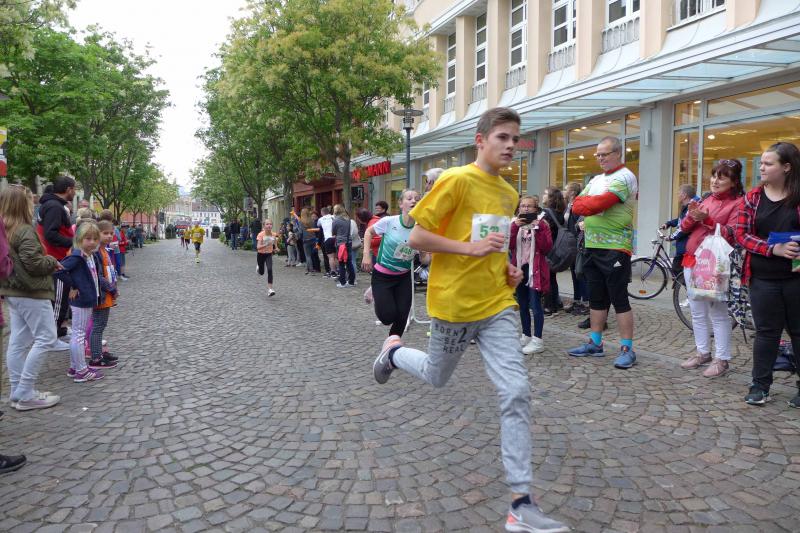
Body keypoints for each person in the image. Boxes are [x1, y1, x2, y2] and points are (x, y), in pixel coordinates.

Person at [371, 107, 569, 533]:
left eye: (515, 138)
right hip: (453, 304)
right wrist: (468, 250)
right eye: (502, 137)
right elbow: (418, 237)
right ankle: (394, 353)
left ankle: (521, 504)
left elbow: (490, 245)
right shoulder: (456, 180)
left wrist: (508, 269)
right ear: (480, 140)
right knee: (436, 375)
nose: (510, 145)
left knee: (516, 391)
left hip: (497, 304)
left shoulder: (507, 193)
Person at [736, 142, 800, 407]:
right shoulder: (752, 198)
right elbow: (741, 235)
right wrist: (773, 248)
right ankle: (760, 386)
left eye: (768, 163)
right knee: (766, 333)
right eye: (761, 162)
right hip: (763, 278)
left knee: (799, 332)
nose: (761, 167)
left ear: (787, 167)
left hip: (796, 279)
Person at [567, 136, 639, 370]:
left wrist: (588, 204)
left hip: (615, 247)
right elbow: (576, 205)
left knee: (619, 299)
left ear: (617, 153)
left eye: (604, 154)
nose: (600, 158)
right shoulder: (597, 179)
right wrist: (586, 204)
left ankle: (627, 349)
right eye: (597, 154)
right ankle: (595, 343)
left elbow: (598, 204)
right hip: (592, 245)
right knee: (596, 298)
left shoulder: (625, 176)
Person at [679, 160, 744, 378]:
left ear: (733, 182)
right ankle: (703, 352)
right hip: (692, 260)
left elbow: (731, 234)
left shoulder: (738, 203)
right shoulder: (705, 199)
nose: (715, 180)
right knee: (697, 311)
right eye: (714, 175)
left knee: (718, 312)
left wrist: (706, 218)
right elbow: (684, 228)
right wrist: (691, 215)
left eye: (721, 177)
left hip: (716, 264)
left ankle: (722, 359)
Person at [0, 185, 62, 411]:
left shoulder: (6, 229)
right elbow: (34, 264)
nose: (33, 204)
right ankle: (25, 392)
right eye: (30, 201)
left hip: (14, 291)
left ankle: (18, 391)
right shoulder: (24, 230)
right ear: (22, 204)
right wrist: (51, 261)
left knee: (18, 342)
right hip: (31, 291)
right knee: (46, 338)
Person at [54, 222, 107, 383]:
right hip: (81, 301)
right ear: (79, 239)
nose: (92, 242)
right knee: (79, 335)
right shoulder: (77, 257)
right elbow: (59, 270)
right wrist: (73, 286)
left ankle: (74, 366)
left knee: (78, 334)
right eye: (87, 239)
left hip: (87, 299)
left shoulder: (89, 255)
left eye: (94, 239)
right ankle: (81, 371)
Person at [362, 189, 419, 333]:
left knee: (402, 316)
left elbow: (424, 258)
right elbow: (369, 232)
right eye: (409, 198)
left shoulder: (421, 228)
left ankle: (393, 345)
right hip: (383, 276)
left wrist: (427, 252)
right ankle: (375, 292)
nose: (414, 201)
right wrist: (366, 255)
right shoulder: (389, 221)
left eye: (417, 199)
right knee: (387, 317)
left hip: (404, 276)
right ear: (400, 204)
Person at [510, 196, 552, 355]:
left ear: (536, 209)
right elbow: (509, 245)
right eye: (523, 206)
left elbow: (546, 248)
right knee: (522, 304)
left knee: (536, 305)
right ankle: (526, 335)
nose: (526, 208)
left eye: (529, 206)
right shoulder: (514, 223)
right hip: (520, 269)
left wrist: (538, 228)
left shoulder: (542, 224)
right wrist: (514, 227)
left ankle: (538, 340)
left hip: (536, 270)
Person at [36, 175, 76, 338]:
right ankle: (53, 334)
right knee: (59, 299)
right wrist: (72, 242)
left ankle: (58, 330)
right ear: (68, 189)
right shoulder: (54, 207)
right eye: (74, 189)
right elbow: (50, 234)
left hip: (56, 258)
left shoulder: (53, 205)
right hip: (55, 259)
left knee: (59, 297)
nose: (75, 192)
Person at [87, 220, 119, 369]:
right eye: (105, 233)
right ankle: (96, 357)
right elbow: (98, 276)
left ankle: (99, 352)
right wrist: (111, 288)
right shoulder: (96, 252)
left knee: (101, 324)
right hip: (101, 294)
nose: (109, 236)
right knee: (98, 326)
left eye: (111, 233)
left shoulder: (104, 250)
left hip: (107, 293)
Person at [661, 183, 701, 278]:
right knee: (681, 272)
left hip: (686, 245)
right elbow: (681, 221)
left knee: (677, 270)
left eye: (679, 193)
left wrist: (670, 237)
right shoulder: (687, 206)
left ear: (684, 195)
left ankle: (686, 286)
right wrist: (669, 223)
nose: (677, 195)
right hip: (684, 244)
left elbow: (684, 227)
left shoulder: (691, 207)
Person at [563, 181, 589, 315]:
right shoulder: (569, 205)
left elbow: (579, 225)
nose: (564, 191)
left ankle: (586, 302)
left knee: (580, 273)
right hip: (571, 244)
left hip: (578, 244)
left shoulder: (579, 205)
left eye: (566, 189)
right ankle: (577, 300)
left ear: (572, 192)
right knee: (574, 273)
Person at [541, 187, 566, 315]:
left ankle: (549, 306)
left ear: (551, 198)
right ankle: (556, 303)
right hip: (556, 250)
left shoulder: (546, 213)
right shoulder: (559, 212)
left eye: (545, 193)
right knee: (552, 277)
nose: (543, 195)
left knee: (547, 278)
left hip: (547, 250)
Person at [332, 205, 356, 288]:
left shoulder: (336, 220)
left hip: (341, 243)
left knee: (341, 262)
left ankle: (343, 282)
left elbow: (333, 232)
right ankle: (351, 281)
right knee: (349, 262)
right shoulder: (348, 219)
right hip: (348, 242)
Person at [256, 219, 278, 296]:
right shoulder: (261, 235)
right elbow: (258, 247)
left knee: (270, 269)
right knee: (261, 272)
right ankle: (259, 268)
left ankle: (270, 289)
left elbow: (275, 244)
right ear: (264, 226)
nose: (269, 226)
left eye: (270, 224)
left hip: (268, 254)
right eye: (267, 224)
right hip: (260, 255)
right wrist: (266, 244)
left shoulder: (274, 234)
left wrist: (276, 248)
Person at [299, 207, 320, 274]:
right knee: (312, 254)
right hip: (313, 239)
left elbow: (300, 232)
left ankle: (310, 269)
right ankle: (308, 269)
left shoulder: (301, 221)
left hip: (306, 239)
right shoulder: (312, 220)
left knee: (308, 256)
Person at [318, 206, 336, 276]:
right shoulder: (333, 217)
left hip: (328, 239)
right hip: (335, 237)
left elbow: (318, 225)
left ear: (322, 212)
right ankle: (338, 270)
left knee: (330, 257)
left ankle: (333, 271)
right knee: (336, 256)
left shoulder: (321, 219)